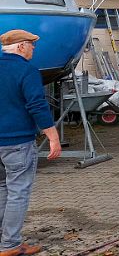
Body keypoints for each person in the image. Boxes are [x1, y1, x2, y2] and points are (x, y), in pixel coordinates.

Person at [0, 30, 61, 256]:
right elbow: (37, 105)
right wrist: (53, 137)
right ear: (20, 46)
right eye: (31, 44)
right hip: (17, 141)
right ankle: (10, 245)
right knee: (18, 193)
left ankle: (4, 241)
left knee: (2, 189)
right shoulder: (26, 70)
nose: (34, 48)